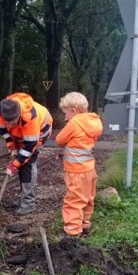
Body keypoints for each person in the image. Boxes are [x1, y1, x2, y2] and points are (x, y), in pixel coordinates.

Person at [0, 92, 53, 215]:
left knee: (27, 164)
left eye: (12, 122)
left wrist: (15, 164)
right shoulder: (2, 109)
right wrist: (13, 147)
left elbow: (29, 147)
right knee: (21, 162)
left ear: (19, 115)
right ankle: (23, 198)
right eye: (7, 122)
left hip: (41, 131)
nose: (9, 125)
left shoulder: (30, 117)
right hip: (20, 134)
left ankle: (28, 203)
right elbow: (3, 130)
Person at [55, 91, 103, 237]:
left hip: (75, 171)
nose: (65, 117)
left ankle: (73, 232)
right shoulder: (95, 122)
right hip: (89, 168)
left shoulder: (74, 123)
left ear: (73, 111)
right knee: (88, 197)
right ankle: (85, 223)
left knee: (74, 200)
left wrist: (69, 125)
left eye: (65, 113)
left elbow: (59, 140)